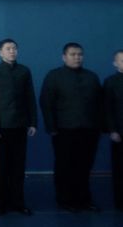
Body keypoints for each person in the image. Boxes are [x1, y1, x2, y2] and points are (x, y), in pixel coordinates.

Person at [40, 42, 102, 213]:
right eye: (73, 54)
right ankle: (65, 200)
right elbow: (46, 103)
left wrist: (100, 127)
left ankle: (84, 199)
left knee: (85, 167)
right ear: (64, 57)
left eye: (80, 54)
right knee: (65, 167)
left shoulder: (92, 76)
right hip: (63, 130)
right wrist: (51, 127)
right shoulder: (54, 76)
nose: (77, 57)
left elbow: (100, 103)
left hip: (89, 130)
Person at [0, 39, 36, 216]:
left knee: (18, 167)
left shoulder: (24, 71)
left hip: (20, 125)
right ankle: (0, 202)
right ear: (0, 52)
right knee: (1, 167)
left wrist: (33, 122)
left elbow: (30, 98)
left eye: (14, 48)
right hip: (1, 127)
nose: (12, 51)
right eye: (8, 49)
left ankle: (18, 202)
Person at [103, 50, 123, 211]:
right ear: (115, 63)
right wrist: (112, 130)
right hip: (119, 132)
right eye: (121, 60)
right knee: (120, 169)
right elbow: (107, 109)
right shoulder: (110, 82)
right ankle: (120, 201)